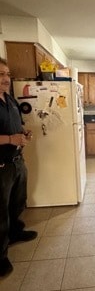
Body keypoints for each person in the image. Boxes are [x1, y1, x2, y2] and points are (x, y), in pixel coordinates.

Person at [0, 57, 37, 277]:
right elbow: (7, 136)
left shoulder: (11, 100)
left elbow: (18, 125)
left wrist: (23, 133)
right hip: (1, 165)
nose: (5, 79)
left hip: (17, 161)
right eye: (0, 74)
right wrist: (9, 139)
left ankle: (15, 232)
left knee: (16, 202)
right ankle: (0, 257)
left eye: (7, 74)